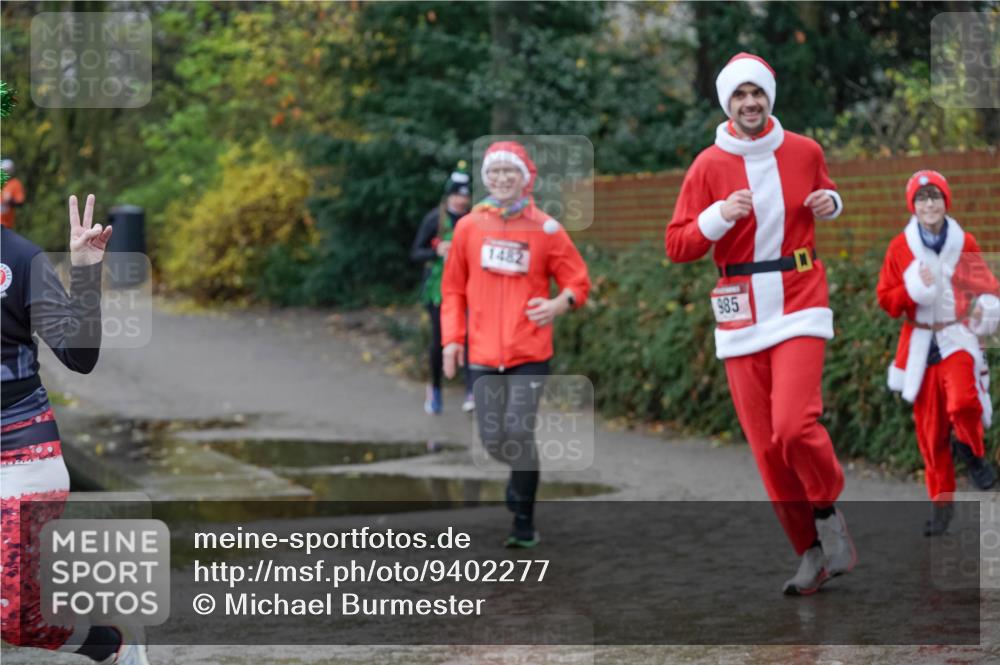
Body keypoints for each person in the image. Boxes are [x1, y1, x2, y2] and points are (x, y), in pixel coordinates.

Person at [665, 53, 855, 595]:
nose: (750, 103)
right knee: (768, 451)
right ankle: (810, 552)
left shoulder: (805, 150)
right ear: (727, 103)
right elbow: (677, 244)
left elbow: (826, 191)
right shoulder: (708, 165)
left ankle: (827, 508)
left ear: (769, 97)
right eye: (739, 95)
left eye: (757, 93)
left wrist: (830, 202)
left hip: (799, 296)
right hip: (740, 306)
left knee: (793, 426)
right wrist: (718, 216)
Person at [1, 195, 150, 664]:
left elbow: (78, 355)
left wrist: (85, 273)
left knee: (17, 618)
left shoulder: (21, 260)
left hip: (20, 452)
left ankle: (114, 646)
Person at [441, 140, 590, 547]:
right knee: (494, 440)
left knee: (519, 430)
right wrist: (452, 340)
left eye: (510, 171)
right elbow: (452, 290)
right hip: (483, 352)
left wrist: (558, 304)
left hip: (529, 351)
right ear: (486, 178)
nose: (502, 178)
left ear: (524, 178)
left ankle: (523, 520)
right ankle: (520, 477)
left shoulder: (546, 228)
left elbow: (578, 282)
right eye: (495, 172)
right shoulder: (469, 227)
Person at [876, 170, 999, 536]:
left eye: (935, 196)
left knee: (964, 402)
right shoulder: (899, 247)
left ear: (946, 201)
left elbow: (988, 288)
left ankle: (972, 453)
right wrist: (912, 288)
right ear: (912, 206)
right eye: (922, 198)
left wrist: (985, 308)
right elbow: (887, 300)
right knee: (930, 437)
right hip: (918, 345)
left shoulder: (965, 242)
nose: (929, 204)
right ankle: (942, 506)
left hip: (956, 335)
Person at [410, 166, 474, 414]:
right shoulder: (434, 219)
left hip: (468, 287)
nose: (461, 200)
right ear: (448, 195)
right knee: (440, 340)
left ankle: (471, 391)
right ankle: (435, 389)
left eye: (465, 196)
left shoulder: (474, 221)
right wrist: (436, 251)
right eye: (456, 195)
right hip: (438, 290)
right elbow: (415, 253)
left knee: (471, 338)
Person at [1, 159, 26, 229]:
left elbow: (20, 203)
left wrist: (10, 201)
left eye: (7, 170)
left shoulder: (15, 184)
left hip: (5, 224)